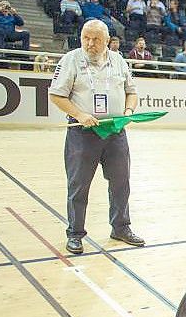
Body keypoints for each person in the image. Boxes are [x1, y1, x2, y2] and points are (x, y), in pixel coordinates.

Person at [48, 19, 144, 254]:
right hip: (82, 132)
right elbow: (56, 95)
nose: (90, 44)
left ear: (107, 40)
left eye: (96, 39)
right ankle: (75, 233)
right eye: (85, 38)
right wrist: (80, 114)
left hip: (115, 130)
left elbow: (131, 92)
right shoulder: (70, 60)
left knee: (121, 182)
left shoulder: (119, 60)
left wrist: (128, 112)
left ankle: (121, 227)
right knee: (79, 185)